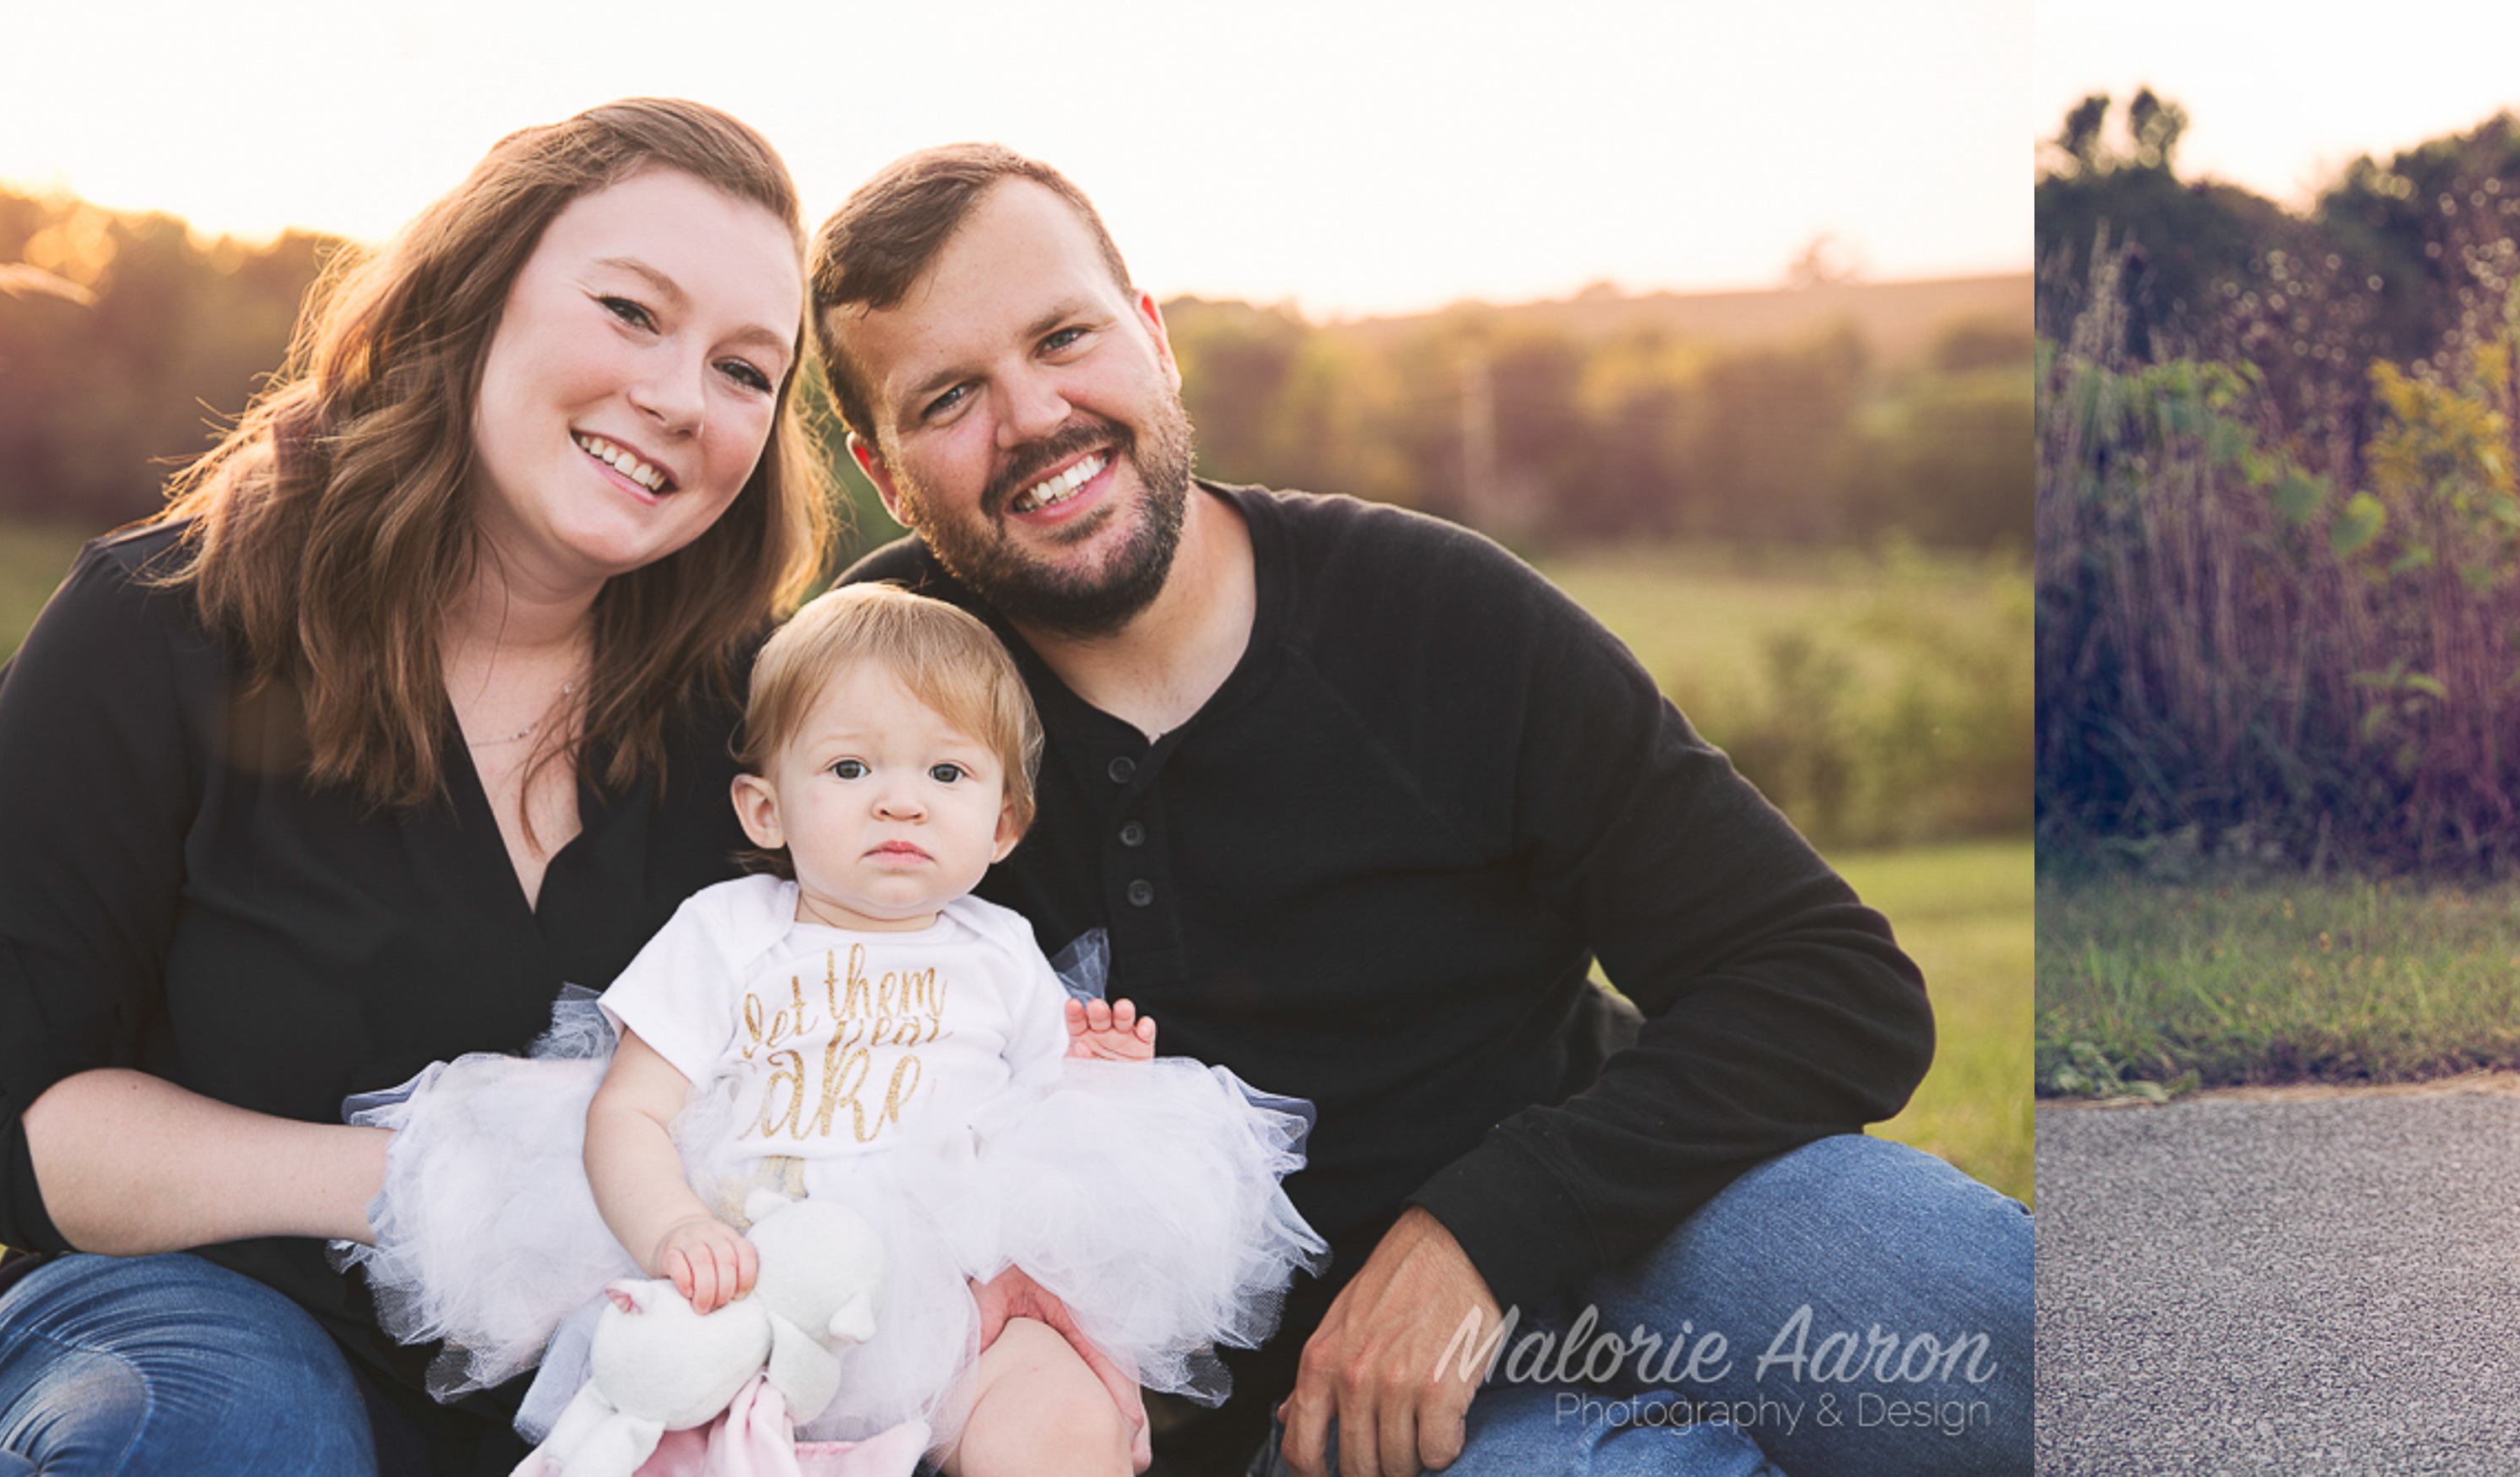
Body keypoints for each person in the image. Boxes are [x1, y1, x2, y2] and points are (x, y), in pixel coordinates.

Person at [804, 145, 2030, 1476]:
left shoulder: (1435, 613)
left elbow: (1831, 985)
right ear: (883, 465)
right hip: (1319, 1422)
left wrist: (1485, 1233)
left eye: (1064, 338)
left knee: (1988, 1324)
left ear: (1153, 342)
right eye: (950, 397)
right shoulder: (859, 709)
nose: (1035, 414)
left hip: (1625, 1217)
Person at [0, 99, 827, 1476]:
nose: (684, 398)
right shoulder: (162, 628)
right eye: (632, 311)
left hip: (616, 1368)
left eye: (748, 371)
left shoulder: (759, 719)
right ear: (474, 295)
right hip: (212, 1318)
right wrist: (428, 1184)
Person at [341, 582, 1324, 1475]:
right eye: (851, 766)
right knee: (658, 1431)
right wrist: (673, 1227)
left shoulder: (1002, 951)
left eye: (946, 772)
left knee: (1062, 1426)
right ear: (767, 808)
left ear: (1004, 828)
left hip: (964, 1304)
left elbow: (1049, 1137)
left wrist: (1106, 1083)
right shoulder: (724, 934)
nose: (901, 798)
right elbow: (629, 1112)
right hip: (750, 1286)